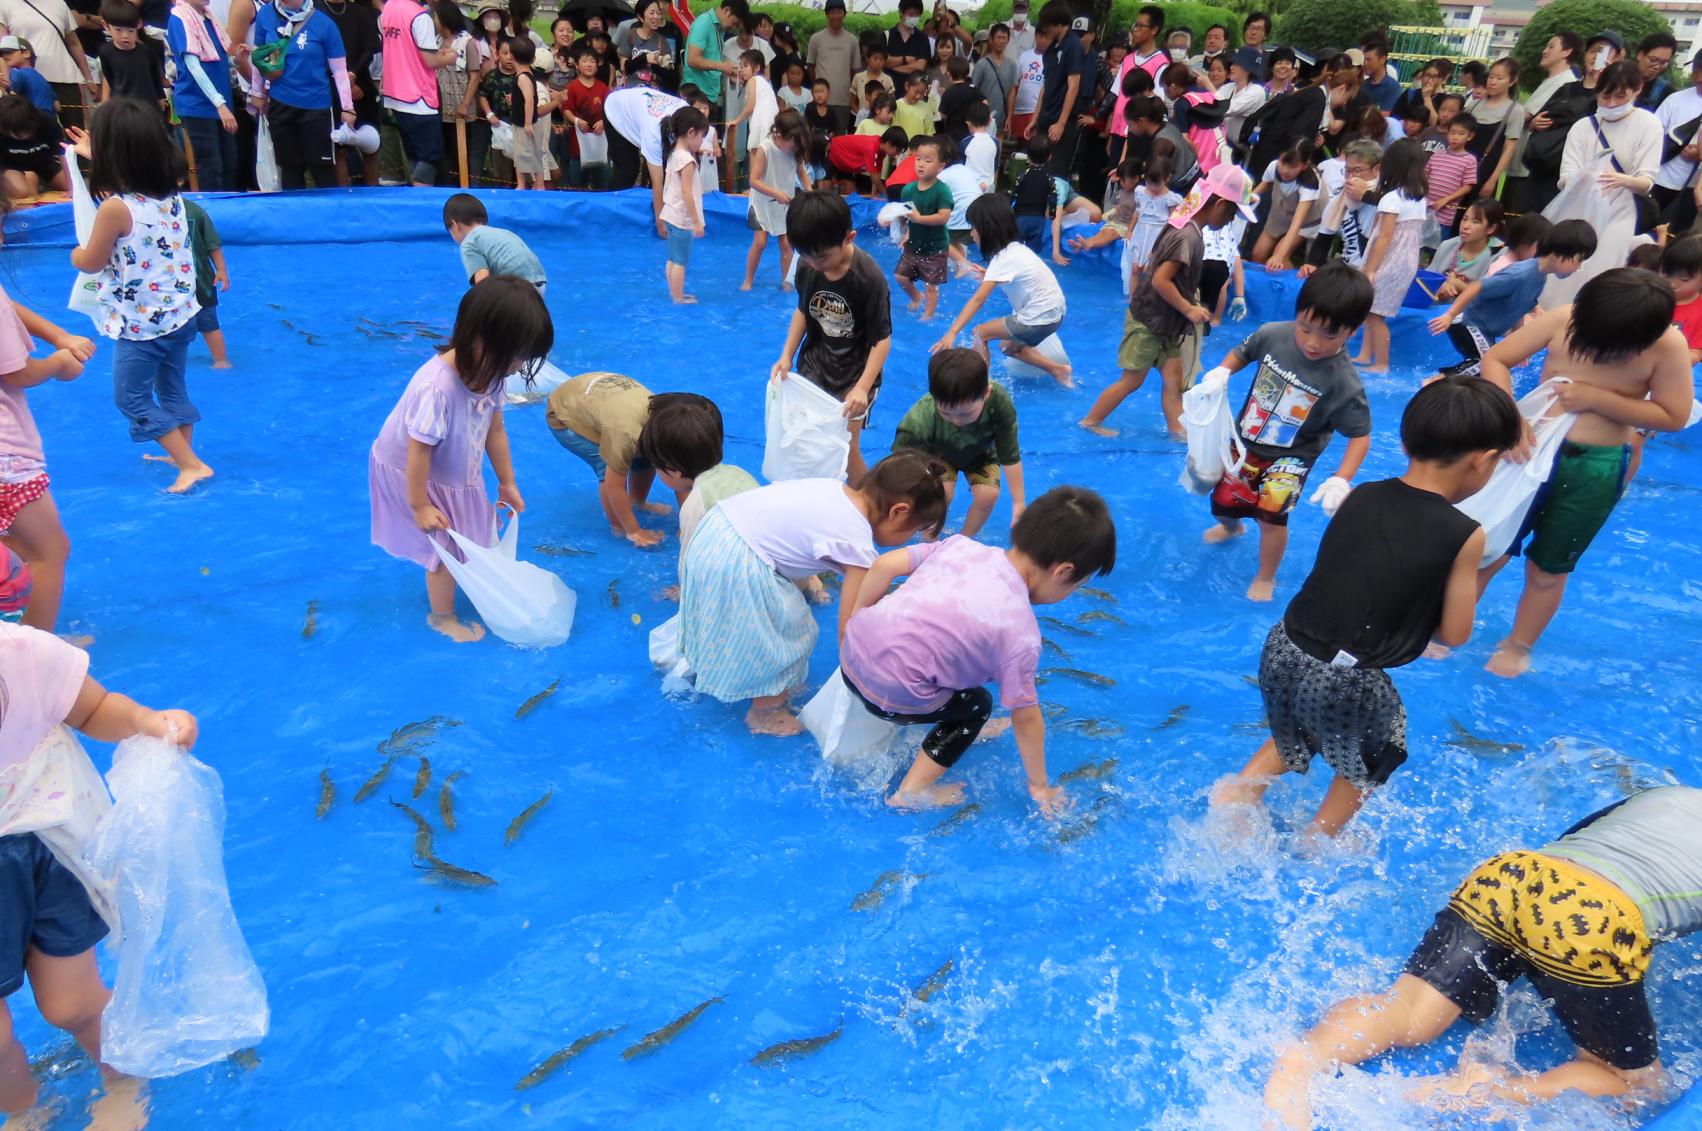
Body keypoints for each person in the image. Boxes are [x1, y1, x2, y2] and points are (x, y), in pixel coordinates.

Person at [1265, 786, 1702, 1130]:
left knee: (1410, 1012)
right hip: (1589, 919)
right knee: (1637, 1085)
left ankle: (1305, 1059)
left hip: (1512, 875)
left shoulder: (1669, 794)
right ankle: (1482, 1090)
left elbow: (1573, 841)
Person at [1210, 374, 1516, 840]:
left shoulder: (1363, 494)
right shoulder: (1465, 533)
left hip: (1284, 646)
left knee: (1301, 723)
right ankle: (1320, 838)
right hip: (1346, 676)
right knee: (1380, 744)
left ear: (1407, 442)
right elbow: (1454, 634)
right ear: (1484, 460)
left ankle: (1239, 792)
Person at [0, 624, 199, 1125]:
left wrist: (144, 720)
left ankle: (124, 1078)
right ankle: (24, 1111)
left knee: (72, 1004)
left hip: (48, 846)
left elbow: (92, 708)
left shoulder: (22, 655)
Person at [842, 484, 1113, 813]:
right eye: (1078, 585)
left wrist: (857, 619)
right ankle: (912, 791)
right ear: (1063, 571)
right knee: (978, 705)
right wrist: (1040, 786)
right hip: (890, 698)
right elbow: (1026, 718)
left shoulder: (960, 547)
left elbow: (884, 565)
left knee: (951, 655)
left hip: (850, 658)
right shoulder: (1020, 634)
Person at [1476, 269, 1693, 677]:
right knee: (1485, 550)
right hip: (1528, 454)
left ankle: (1518, 645)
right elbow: (1497, 358)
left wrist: (1597, 398)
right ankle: (1444, 629)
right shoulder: (1563, 318)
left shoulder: (1667, 345)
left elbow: (1673, 415)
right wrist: (1510, 418)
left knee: (1548, 568)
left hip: (1595, 466)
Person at [678, 450, 945, 736]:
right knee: (788, 634)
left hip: (715, 531)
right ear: (898, 512)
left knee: (767, 619)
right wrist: (870, 681)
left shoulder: (833, 489)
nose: (909, 540)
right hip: (737, 561)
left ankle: (725, 669)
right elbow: (850, 629)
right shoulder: (857, 545)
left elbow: (789, 531)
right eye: (914, 531)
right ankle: (766, 712)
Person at [368, 276, 550, 644]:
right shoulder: (435, 389)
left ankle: (454, 589)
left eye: (523, 357)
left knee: (474, 531)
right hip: (413, 472)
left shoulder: (493, 373)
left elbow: (494, 431)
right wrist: (419, 506)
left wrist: (507, 482)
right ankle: (442, 617)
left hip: (452, 468)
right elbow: (419, 452)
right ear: (477, 338)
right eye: (514, 355)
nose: (518, 366)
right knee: (446, 547)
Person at [1197, 263, 1375, 603]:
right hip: (1245, 443)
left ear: (1351, 332)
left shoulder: (1344, 382)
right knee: (1222, 502)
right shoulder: (1273, 334)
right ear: (1297, 314)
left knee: (1271, 520)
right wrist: (1222, 372)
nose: (1313, 342)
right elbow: (1242, 353)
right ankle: (1232, 527)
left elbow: (1360, 436)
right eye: (1306, 328)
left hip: (1292, 458)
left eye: (1329, 335)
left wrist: (1342, 478)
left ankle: (1266, 576)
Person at [65, 101, 210, 494]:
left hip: (142, 327)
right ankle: (182, 451)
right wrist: (93, 153)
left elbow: (91, 262)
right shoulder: (172, 195)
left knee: (130, 398)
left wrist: (76, 254)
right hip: (180, 315)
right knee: (172, 387)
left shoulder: (116, 209)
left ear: (114, 156)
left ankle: (191, 465)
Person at [1081, 163, 1256, 439]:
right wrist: (1189, 308)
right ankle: (1091, 421)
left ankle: (1177, 431)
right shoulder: (1188, 236)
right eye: (1233, 212)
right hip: (1149, 321)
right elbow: (1161, 280)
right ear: (1220, 204)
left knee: (1173, 379)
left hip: (1165, 322)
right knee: (1132, 381)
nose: (1231, 220)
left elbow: (1156, 261)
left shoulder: (1182, 222)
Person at [0, 213, 91, 633]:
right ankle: (35, 656)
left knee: (11, 550)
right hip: (7, 459)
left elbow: (10, 306)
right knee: (48, 551)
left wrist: (58, 335)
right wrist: (58, 363)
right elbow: (18, 373)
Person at [773, 192, 892, 489]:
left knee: (846, 449)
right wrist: (786, 355)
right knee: (808, 443)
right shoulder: (807, 266)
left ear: (849, 237)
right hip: (814, 368)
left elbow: (882, 340)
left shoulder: (868, 278)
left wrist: (862, 388)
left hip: (854, 377)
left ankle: (867, 504)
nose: (814, 264)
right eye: (806, 256)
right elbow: (803, 311)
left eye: (822, 257)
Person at [1544, 62, 1660, 306]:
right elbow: (1565, 177)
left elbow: (1646, 181)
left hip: (1619, 212)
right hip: (1576, 211)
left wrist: (1622, 180)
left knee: (1600, 269)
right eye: (1606, 96)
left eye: (1621, 96)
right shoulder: (1583, 127)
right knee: (1561, 271)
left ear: (1637, 90)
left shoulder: (1649, 124)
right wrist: (1584, 178)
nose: (1612, 103)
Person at [1427, 218, 1594, 381]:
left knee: (1488, 371)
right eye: (1579, 260)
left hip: (1483, 330)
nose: (1578, 267)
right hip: (1467, 322)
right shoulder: (1521, 273)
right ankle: (1432, 384)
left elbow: (1519, 311)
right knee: (1486, 364)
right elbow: (1477, 286)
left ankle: (1443, 386)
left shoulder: (1539, 278)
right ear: (1562, 252)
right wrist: (1449, 315)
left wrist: (1518, 346)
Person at [931, 194, 1069, 388]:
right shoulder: (1016, 249)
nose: (972, 234)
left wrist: (952, 332)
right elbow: (1024, 282)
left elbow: (978, 300)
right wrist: (989, 275)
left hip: (1037, 319)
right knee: (1007, 347)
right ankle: (1057, 370)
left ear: (987, 229)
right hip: (1055, 315)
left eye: (974, 227)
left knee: (980, 333)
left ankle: (980, 388)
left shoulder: (1002, 259)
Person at [894, 346, 1025, 538]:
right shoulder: (920, 420)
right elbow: (899, 464)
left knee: (988, 496)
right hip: (937, 455)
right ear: (934, 398)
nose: (956, 421)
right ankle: (929, 538)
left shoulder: (999, 403)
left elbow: (1010, 455)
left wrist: (1019, 503)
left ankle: (963, 540)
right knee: (942, 494)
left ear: (986, 393)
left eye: (965, 414)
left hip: (981, 454)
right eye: (946, 413)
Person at [545, 372, 678, 549]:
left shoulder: (663, 424)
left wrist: (688, 524)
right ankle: (619, 527)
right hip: (563, 412)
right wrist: (634, 530)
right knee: (607, 466)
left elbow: (683, 477)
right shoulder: (626, 434)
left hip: (596, 394)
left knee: (645, 456)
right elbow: (613, 486)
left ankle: (637, 502)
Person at [634, 393, 755, 576]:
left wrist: (683, 588)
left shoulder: (694, 504)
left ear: (673, 470)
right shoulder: (738, 473)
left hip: (742, 576)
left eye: (656, 467)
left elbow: (690, 557)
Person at [249, 0, 357, 190]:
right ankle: (292, 207)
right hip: (281, 103)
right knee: (289, 167)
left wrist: (348, 107)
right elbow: (259, 56)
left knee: (321, 168)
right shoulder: (266, 14)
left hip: (316, 106)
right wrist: (257, 92)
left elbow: (340, 71)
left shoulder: (324, 24)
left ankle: (329, 207)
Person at [1356, 138, 1428, 374]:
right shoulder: (1418, 197)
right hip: (1406, 262)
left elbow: (1384, 237)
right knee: (1373, 310)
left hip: (1388, 261)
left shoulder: (1392, 198)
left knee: (1374, 316)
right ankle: (1365, 354)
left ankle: (1381, 363)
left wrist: (1370, 269)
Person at [1504, 32, 1583, 214]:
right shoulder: (1551, 81)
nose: (1544, 51)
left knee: (1516, 220)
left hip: (1530, 169)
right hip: (1521, 166)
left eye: (1551, 46)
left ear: (1566, 52)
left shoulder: (1565, 82)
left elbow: (1527, 116)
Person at [379, 0, 454, 188]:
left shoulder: (389, 8)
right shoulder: (420, 16)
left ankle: (417, 193)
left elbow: (404, 47)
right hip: (419, 96)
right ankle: (420, 194)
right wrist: (450, 57)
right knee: (430, 155)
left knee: (414, 153)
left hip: (395, 94)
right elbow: (430, 60)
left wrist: (437, 53)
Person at [742, 106, 810, 291]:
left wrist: (809, 190)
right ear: (779, 135)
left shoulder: (794, 149)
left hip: (784, 204)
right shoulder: (765, 148)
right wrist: (776, 194)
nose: (795, 149)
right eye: (793, 145)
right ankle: (748, 280)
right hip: (761, 203)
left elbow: (801, 172)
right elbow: (754, 180)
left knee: (787, 244)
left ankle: (787, 282)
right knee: (760, 243)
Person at [0, 0, 91, 129]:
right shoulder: (4, 4)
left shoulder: (59, 3)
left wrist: (88, 78)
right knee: (29, 129)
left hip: (65, 76)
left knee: (75, 128)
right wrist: (7, 81)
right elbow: (3, 49)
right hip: (27, 79)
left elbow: (73, 43)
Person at [1026, 0, 1089, 176]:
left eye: (1048, 25)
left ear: (1059, 23)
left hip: (1061, 120)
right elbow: (1046, 84)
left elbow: (1073, 85)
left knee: (1055, 172)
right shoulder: (1050, 48)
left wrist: (1061, 123)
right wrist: (1035, 118)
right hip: (1045, 117)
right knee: (1037, 167)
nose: (1045, 29)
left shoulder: (1073, 45)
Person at [893, 135, 952, 322]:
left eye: (928, 160)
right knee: (900, 277)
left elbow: (943, 217)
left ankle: (928, 316)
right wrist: (894, 220)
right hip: (914, 244)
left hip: (935, 248)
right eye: (918, 159)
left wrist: (919, 219)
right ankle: (917, 297)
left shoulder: (942, 191)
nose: (921, 164)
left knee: (931, 285)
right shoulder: (908, 190)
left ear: (940, 166)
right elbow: (905, 216)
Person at [441, 193, 545, 293]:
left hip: (515, 287)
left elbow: (482, 280)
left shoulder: (469, 242)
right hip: (539, 282)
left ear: (454, 225)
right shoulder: (502, 232)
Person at [658, 103, 706, 304]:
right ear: (691, 132)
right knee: (680, 261)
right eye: (702, 136)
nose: (702, 141)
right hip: (681, 218)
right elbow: (687, 193)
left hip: (670, 214)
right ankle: (678, 298)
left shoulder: (674, 154)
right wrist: (696, 222)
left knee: (672, 258)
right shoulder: (687, 161)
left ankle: (674, 293)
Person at [1651, 50, 1702, 235]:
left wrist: (1699, 155)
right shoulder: (1675, 99)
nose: (1699, 79)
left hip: (1692, 191)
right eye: (1696, 72)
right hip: (1658, 179)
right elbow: (1653, 134)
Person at [1250, 137, 1318, 268]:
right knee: (1258, 254)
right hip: (1281, 213)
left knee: (1280, 256)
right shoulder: (1273, 166)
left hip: (1306, 222)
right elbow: (1265, 184)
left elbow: (1297, 223)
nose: (1285, 170)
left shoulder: (1310, 183)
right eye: (1282, 162)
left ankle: (1289, 278)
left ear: (1304, 165)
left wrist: (1279, 256)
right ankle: (1263, 278)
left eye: (1293, 166)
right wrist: (1250, 197)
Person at [181, 198, 228, 370]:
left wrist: (221, 270)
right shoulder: (146, 211)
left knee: (209, 323)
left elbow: (212, 243)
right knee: (170, 327)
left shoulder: (194, 211)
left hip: (200, 282)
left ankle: (220, 359)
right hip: (168, 286)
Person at [680, 0, 744, 123]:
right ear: (727, 11)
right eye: (735, 23)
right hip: (696, 94)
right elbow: (692, 60)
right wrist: (722, 66)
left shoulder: (719, 27)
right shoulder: (704, 22)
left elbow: (711, 57)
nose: (734, 28)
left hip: (709, 95)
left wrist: (727, 72)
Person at [1429, 196, 1503, 299]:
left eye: (1475, 222)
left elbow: (1492, 297)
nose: (1465, 226)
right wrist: (1439, 288)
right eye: (1464, 219)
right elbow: (1426, 280)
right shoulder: (1447, 246)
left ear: (1491, 228)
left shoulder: (1499, 255)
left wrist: (1460, 286)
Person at [95, 0, 162, 108]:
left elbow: (155, 76)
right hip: (121, 104)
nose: (125, 35)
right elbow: (109, 77)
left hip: (147, 103)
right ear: (106, 26)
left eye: (131, 31)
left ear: (138, 25)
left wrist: (160, 97)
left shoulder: (146, 51)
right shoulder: (106, 52)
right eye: (118, 30)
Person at [1425, 112, 1479, 237]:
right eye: (1452, 133)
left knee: (1438, 243)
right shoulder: (1437, 155)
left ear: (1469, 136)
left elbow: (1468, 186)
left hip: (1446, 213)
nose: (1455, 137)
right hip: (1426, 208)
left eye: (1461, 134)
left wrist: (1446, 199)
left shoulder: (1469, 160)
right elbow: (1425, 175)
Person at [0, 93, 62, 196]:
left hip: (44, 162)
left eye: (26, 130)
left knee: (71, 187)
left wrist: (72, 186)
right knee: (21, 192)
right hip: (11, 165)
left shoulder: (47, 122)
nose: (23, 136)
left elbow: (62, 153)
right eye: (17, 132)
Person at [805, 0, 858, 111]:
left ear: (844, 14)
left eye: (839, 12)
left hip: (844, 101)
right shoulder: (816, 39)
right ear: (827, 14)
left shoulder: (852, 40)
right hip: (821, 101)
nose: (835, 16)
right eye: (832, 12)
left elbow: (855, 70)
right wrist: (817, 87)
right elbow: (810, 65)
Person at [1662, 234, 1702, 363]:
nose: (1672, 284)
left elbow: (1695, 353)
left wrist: (1667, 362)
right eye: (1667, 275)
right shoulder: (1648, 294)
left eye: (1684, 279)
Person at [970, 21, 1015, 136]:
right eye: (998, 37)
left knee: (998, 144)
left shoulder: (1012, 65)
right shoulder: (982, 64)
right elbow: (973, 90)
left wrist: (1009, 116)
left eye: (1004, 38)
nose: (1001, 41)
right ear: (991, 39)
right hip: (982, 118)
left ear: (1008, 40)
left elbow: (1012, 91)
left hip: (1001, 117)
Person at [885, 0, 928, 81]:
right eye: (910, 14)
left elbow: (919, 67)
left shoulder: (923, 38)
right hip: (889, 86)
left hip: (913, 87)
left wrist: (891, 67)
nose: (914, 17)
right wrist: (905, 59)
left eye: (917, 15)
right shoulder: (887, 35)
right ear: (901, 13)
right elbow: (883, 61)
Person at [1635, 32, 1677, 110]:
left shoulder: (1668, 94)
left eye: (1663, 62)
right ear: (1640, 55)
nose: (1657, 66)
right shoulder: (1618, 78)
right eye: (1653, 60)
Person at [849, 43, 892, 118]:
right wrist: (860, 114)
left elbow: (891, 101)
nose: (878, 62)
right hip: (860, 118)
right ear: (868, 59)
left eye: (881, 59)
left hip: (880, 119)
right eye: (875, 58)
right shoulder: (858, 77)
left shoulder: (887, 79)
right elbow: (852, 101)